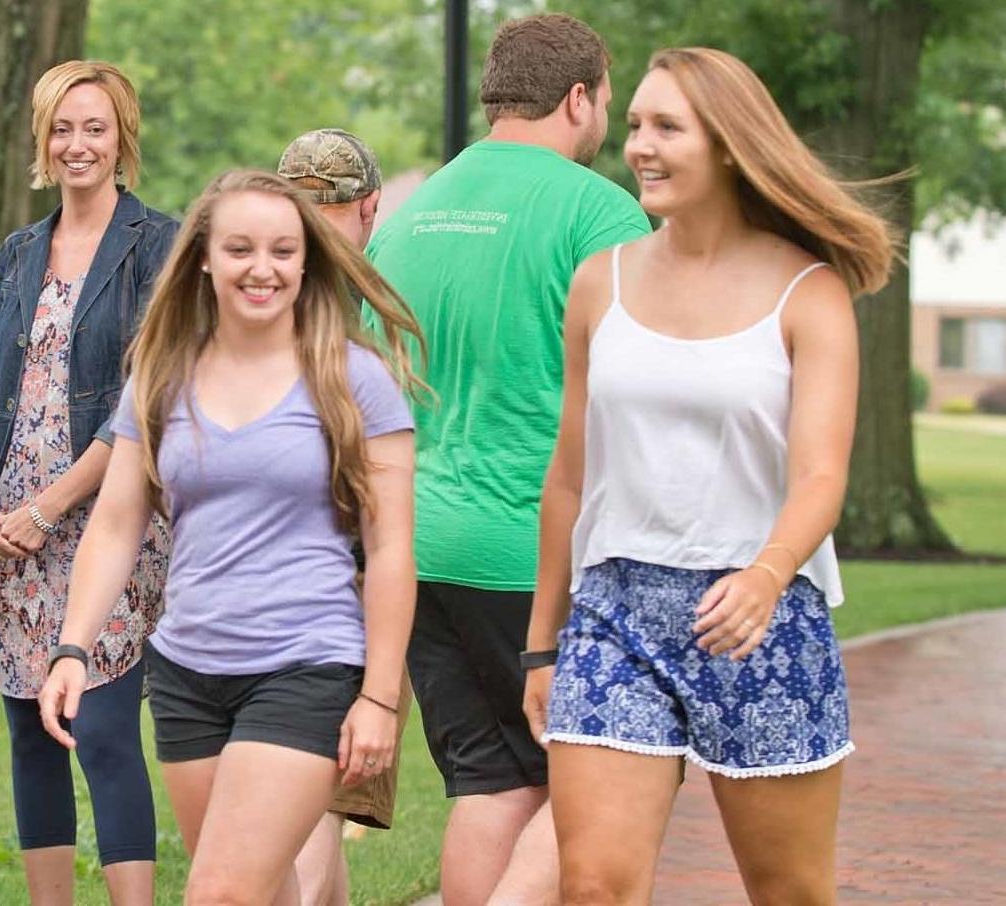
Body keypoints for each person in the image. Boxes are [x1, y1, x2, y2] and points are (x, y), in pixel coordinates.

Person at [523, 46, 889, 904]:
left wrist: (767, 573)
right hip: (615, 616)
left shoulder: (808, 291)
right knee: (593, 886)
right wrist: (543, 641)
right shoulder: (597, 284)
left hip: (760, 619)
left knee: (788, 892)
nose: (638, 146)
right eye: (637, 124)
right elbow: (569, 478)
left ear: (727, 144)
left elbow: (820, 476)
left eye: (666, 128)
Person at [39, 169, 426, 905]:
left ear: (305, 261)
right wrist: (72, 647)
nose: (263, 268)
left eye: (283, 250)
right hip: (187, 674)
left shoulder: (355, 380)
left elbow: (391, 549)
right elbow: (116, 524)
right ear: (205, 258)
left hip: (306, 666)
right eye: (241, 248)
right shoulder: (160, 377)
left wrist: (378, 695)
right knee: (269, 891)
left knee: (218, 894)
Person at [364, 13, 650, 903]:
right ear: (578, 97)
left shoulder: (411, 216)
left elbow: (372, 382)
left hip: (421, 548)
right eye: (608, 100)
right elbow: (638, 384)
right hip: (536, 554)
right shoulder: (599, 211)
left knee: (490, 784)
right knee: (607, 790)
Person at [0, 59, 178, 906]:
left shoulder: (158, 244)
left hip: (104, 514)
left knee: (107, 729)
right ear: (41, 140)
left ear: (122, 136)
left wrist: (50, 508)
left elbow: (142, 403)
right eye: (61, 127)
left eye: (94, 127)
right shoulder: (17, 253)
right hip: (10, 526)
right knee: (29, 733)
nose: (76, 144)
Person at [275, 127, 405, 906]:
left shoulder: (252, 295)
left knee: (309, 805)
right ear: (371, 209)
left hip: (323, 580)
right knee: (317, 802)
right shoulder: (395, 307)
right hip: (352, 577)